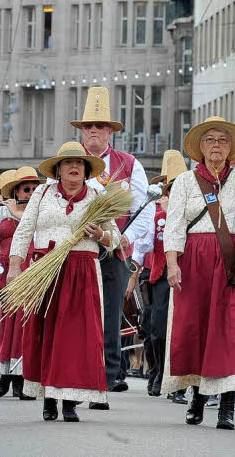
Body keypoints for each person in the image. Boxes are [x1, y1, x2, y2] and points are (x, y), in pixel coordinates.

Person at [163, 116, 235, 430]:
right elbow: (174, 227)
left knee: (232, 333)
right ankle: (197, 394)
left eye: (223, 140)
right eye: (210, 139)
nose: (217, 146)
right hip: (194, 261)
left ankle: (227, 405)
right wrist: (172, 264)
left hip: (234, 261)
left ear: (232, 148)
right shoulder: (184, 181)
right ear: (200, 146)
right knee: (197, 329)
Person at [6, 142, 120, 423]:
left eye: (79, 164)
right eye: (67, 163)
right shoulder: (43, 193)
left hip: (82, 271)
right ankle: (49, 396)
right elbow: (24, 231)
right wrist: (14, 265)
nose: (73, 168)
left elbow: (115, 238)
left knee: (77, 339)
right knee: (46, 334)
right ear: (57, 170)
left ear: (86, 170)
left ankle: (70, 400)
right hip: (44, 270)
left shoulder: (97, 197)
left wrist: (100, 235)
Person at [70, 86, 153, 406]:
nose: (93, 130)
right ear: (81, 130)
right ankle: (75, 379)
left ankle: (103, 382)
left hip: (114, 251)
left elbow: (143, 212)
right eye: (88, 125)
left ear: (110, 132)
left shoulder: (129, 164)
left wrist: (126, 241)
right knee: (76, 315)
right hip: (76, 252)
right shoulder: (67, 161)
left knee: (109, 316)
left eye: (100, 126)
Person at [0, 166, 40, 399]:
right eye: (25, 189)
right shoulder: (3, 212)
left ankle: (22, 377)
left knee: (25, 328)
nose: (30, 194)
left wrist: (17, 213)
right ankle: (2, 375)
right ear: (16, 192)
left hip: (32, 273)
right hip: (2, 273)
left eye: (34, 189)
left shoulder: (42, 210)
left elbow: (38, 228)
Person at [143, 149, 187, 398]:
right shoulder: (155, 215)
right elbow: (143, 245)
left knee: (181, 331)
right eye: (168, 189)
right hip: (159, 276)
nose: (168, 194)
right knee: (156, 331)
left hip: (187, 276)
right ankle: (158, 372)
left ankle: (177, 382)